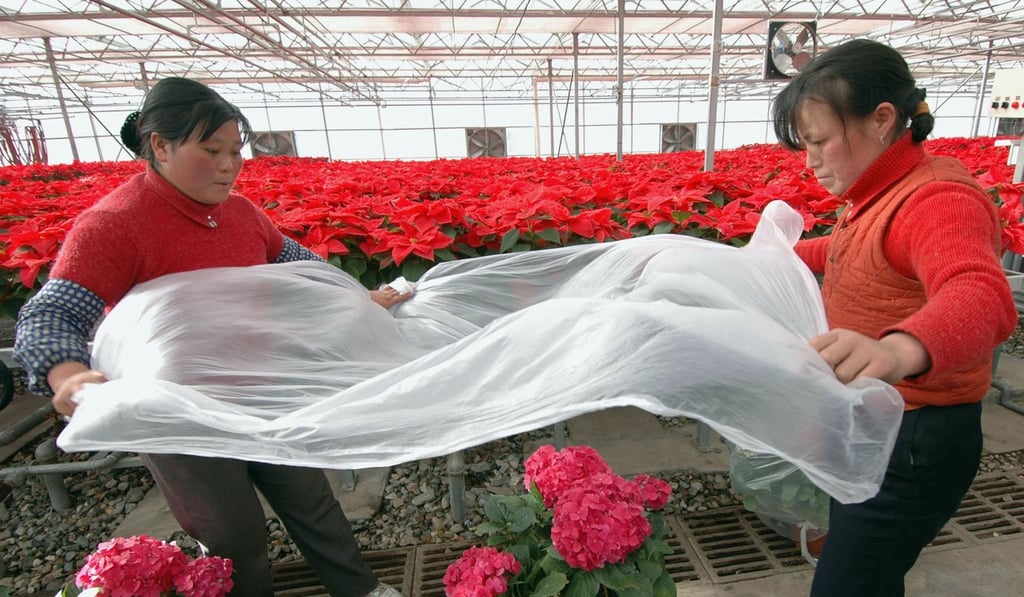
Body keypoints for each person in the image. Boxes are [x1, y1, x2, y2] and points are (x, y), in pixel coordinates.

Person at [13, 77, 409, 597]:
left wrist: (360, 297)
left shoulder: (242, 214)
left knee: (311, 500)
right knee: (232, 535)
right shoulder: (114, 225)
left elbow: (301, 268)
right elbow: (50, 313)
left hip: (264, 392)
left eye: (235, 151)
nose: (228, 165)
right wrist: (66, 374)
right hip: (180, 412)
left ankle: (358, 589)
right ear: (160, 146)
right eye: (212, 150)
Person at [771, 38, 1017, 596]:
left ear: (882, 120)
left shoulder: (937, 199)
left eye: (819, 141)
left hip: (914, 441)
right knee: (867, 575)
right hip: (878, 424)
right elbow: (845, 253)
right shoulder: (880, 195)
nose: (809, 161)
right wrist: (755, 259)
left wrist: (896, 350)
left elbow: (980, 293)